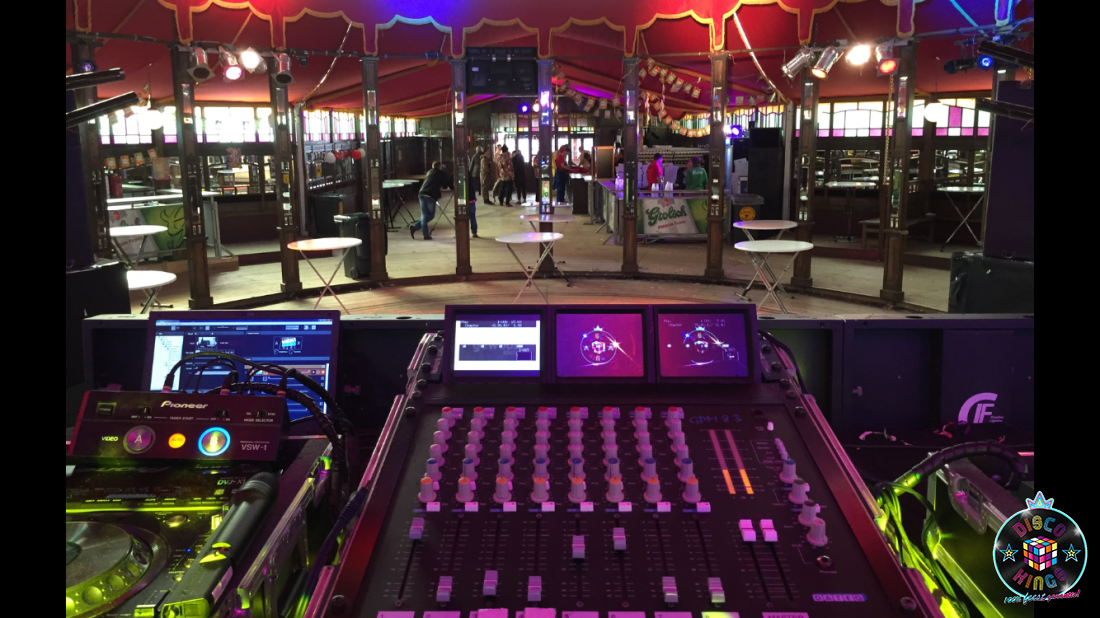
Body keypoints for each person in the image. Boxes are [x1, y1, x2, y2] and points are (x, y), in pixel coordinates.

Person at [410, 161, 451, 240]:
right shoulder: (441, 173)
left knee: (424, 214)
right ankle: (425, 234)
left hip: (421, 193)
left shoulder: (429, 172)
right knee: (430, 215)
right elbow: (445, 185)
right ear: (439, 167)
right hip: (430, 195)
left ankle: (415, 227)